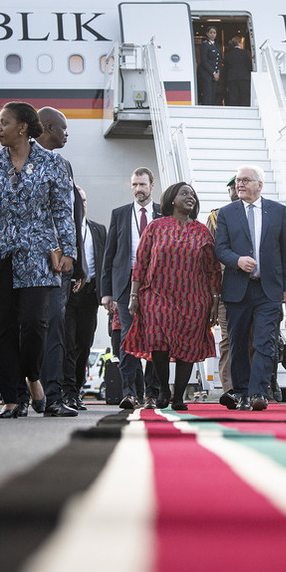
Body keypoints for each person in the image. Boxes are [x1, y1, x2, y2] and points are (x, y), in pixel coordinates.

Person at [0, 101, 75, 419]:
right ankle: (13, 399)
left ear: (23, 128)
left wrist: (68, 250)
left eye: (4, 122)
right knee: (2, 329)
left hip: (37, 258)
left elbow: (62, 210)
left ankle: (32, 376)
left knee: (33, 325)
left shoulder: (52, 164)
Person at [123, 182, 221, 410]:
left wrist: (215, 300)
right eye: (184, 193)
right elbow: (141, 262)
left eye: (193, 195)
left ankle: (178, 396)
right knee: (158, 341)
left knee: (189, 344)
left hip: (194, 299)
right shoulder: (156, 227)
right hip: (156, 295)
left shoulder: (201, 231)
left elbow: (213, 269)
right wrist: (134, 295)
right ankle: (163, 390)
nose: (191, 197)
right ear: (172, 199)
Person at [214, 164, 286, 411]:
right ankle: (241, 392)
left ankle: (259, 391)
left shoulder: (278, 212)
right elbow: (220, 248)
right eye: (238, 181)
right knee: (237, 342)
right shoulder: (226, 213)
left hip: (268, 289)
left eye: (246, 180)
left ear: (260, 185)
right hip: (238, 288)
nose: (240, 184)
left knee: (264, 342)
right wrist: (237, 260)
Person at [101, 167, 161, 410]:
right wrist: (107, 291)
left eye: (142, 185)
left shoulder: (163, 213)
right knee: (127, 337)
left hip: (156, 285)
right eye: (135, 185)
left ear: (151, 186)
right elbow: (110, 254)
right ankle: (129, 393)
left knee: (156, 338)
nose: (138, 189)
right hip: (126, 286)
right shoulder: (120, 214)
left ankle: (152, 394)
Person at [35, 106, 82, 417]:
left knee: (54, 327)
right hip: (25, 259)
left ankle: (52, 396)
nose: (67, 134)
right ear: (48, 127)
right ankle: (19, 396)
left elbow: (71, 214)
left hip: (55, 265)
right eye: (63, 128)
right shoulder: (14, 159)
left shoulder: (63, 164)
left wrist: (71, 257)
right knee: (24, 329)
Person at [63, 185, 106, 411]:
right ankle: (68, 392)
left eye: (85, 200)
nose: (82, 204)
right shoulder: (63, 230)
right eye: (78, 200)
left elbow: (105, 264)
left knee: (84, 345)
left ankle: (77, 389)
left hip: (90, 294)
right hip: (68, 294)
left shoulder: (98, 230)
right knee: (68, 344)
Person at [207, 176, 240, 407]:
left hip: (253, 288)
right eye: (233, 187)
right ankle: (229, 389)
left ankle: (255, 386)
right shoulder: (217, 216)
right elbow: (210, 255)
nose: (237, 190)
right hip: (225, 288)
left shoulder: (262, 214)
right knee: (227, 340)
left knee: (252, 339)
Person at [223, 36, 251, 107]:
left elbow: (226, 69)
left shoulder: (228, 55)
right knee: (244, 97)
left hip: (232, 79)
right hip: (244, 78)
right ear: (239, 43)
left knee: (233, 98)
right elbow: (249, 66)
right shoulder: (245, 53)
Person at [197, 26, 221, 105]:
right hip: (207, 75)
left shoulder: (216, 46)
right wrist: (213, 72)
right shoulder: (205, 45)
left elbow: (217, 60)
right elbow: (204, 61)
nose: (212, 35)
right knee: (207, 96)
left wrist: (218, 72)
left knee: (212, 96)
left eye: (214, 33)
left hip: (214, 76)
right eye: (211, 32)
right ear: (207, 34)